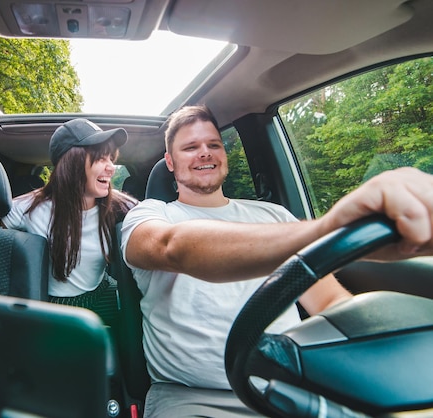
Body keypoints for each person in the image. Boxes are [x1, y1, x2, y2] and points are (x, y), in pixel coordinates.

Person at [120, 104, 433, 417]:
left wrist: (382, 362)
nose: (204, 153)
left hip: (291, 386)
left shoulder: (274, 215)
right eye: (190, 147)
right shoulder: (151, 215)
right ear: (170, 163)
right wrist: (330, 229)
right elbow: (173, 247)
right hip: (194, 400)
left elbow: (327, 301)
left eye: (213, 145)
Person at [0, 118, 137, 326]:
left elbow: (154, 222)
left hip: (103, 295)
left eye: (111, 158)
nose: (111, 167)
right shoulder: (31, 206)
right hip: (49, 304)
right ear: (72, 163)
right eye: (101, 158)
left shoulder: (120, 205)